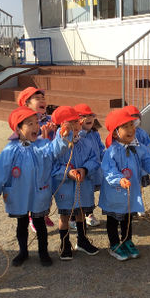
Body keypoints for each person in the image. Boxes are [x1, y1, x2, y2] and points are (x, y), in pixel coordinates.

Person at [0, 106, 71, 267]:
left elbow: (55, 150)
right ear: (18, 128)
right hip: (19, 193)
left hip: (39, 192)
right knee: (22, 223)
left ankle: (43, 252)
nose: (35, 127)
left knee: (40, 223)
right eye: (29, 124)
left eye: (36, 123)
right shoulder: (10, 150)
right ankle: (23, 251)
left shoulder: (43, 144)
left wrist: (62, 137)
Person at [99, 109, 150, 261]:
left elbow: (148, 160)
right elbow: (108, 169)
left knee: (127, 217)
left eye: (131, 125)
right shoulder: (111, 151)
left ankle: (127, 240)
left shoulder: (137, 147)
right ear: (115, 133)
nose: (131, 129)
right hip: (115, 193)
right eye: (125, 126)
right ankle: (114, 244)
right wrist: (119, 179)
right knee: (113, 219)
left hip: (130, 191)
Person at [51, 106, 100, 260]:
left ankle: (82, 240)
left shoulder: (85, 142)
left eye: (76, 122)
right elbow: (52, 166)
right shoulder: (56, 146)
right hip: (65, 188)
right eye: (70, 123)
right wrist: (67, 173)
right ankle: (65, 244)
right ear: (61, 126)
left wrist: (85, 169)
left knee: (80, 214)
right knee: (64, 216)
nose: (75, 126)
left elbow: (94, 159)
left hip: (83, 185)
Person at [17, 87, 56, 228]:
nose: (42, 101)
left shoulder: (50, 119)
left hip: (49, 160)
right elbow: (25, 142)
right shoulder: (23, 123)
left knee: (48, 190)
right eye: (37, 99)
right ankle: (33, 217)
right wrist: (43, 136)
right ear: (26, 104)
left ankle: (44, 214)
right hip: (33, 163)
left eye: (43, 98)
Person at [74, 103, 104, 227]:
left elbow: (101, 149)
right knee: (79, 194)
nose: (89, 118)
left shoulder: (95, 133)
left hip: (95, 169)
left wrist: (108, 157)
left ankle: (89, 214)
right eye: (84, 116)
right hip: (81, 170)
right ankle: (73, 217)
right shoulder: (77, 136)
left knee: (90, 192)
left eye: (90, 115)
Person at [122, 105, 150, 189]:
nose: (135, 119)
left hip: (141, 166)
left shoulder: (142, 133)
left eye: (136, 117)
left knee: (140, 189)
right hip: (127, 167)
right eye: (132, 117)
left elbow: (148, 147)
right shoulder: (122, 134)